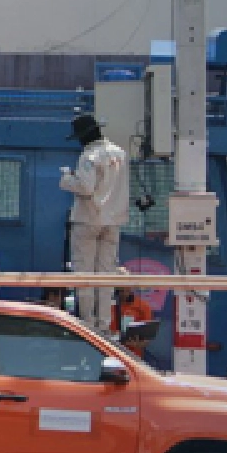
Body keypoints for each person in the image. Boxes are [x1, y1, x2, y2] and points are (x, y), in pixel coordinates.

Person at [58, 113, 130, 332]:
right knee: (106, 273)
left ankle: (88, 323)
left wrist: (67, 179)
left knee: (85, 272)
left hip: (88, 219)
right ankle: (104, 324)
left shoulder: (89, 157)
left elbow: (86, 188)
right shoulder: (120, 154)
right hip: (113, 220)